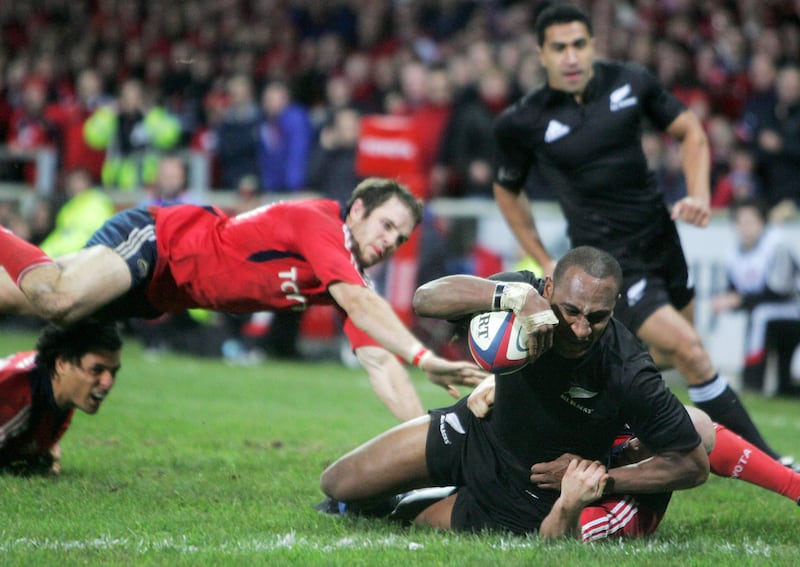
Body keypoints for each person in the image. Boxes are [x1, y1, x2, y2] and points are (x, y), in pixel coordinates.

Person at [490, 3, 783, 462]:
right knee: (691, 352)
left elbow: (691, 132)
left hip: (663, 242)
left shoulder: (631, 81)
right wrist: (543, 258)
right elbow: (506, 190)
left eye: (579, 45)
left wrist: (700, 194)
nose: (571, 57)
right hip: (610, 261)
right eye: (559, 48)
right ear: (541, 54)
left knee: (672, 360)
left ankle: (641, 439)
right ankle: (773, 463)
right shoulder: (522, 121)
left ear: (593, 46)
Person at [0, 178, 484, 417]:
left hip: (156, 293)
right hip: (158, 240)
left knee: (23, 296)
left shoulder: (346, 279)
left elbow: (380, 365)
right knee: (55, 301)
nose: (390, 242)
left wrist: (432, 435)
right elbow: (363, 305)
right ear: (356, 210)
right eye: (386, 225)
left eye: (400, 239)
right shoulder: (321, 225)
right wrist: (424, 355)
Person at [319, 246, 709, 537]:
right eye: (570, 310)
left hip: (526, 493)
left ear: (614, 307)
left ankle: (429, 497)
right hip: (475, 431)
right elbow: (426, 299)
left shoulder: (629, 370)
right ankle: (441, 482)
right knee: (337, 485)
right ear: (549, 287)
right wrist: (510, 296)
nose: (580, 329)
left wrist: (604, 479)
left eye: (597, 317)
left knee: (406, 520)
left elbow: (692, 465)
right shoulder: (522, 292)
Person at [0, 319, 122, 475]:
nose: (108, 383)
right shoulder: (15, 395)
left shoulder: (55, 386)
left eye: (113, 372)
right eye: (97, 370)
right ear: (62, 364)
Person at [711, 198, 800, 394]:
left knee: (761, 315)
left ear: (762, 223)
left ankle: (752, 381)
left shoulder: (775, 246)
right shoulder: (733, 253)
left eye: (749, 222)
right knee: (757, 313)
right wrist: (727, 300)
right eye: (740, 222)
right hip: (765, 308)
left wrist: (739, 300)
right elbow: (734, 289)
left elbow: (780, 291)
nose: (744, 228)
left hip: (792, 309)